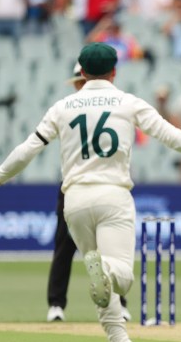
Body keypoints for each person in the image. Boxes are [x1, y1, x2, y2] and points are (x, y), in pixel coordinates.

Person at [0, 43, 181, 342]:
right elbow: (170, 136)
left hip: (74, 201)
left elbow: (28, 149)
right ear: (114, 71)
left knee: (102, 291)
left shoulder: (63, 106)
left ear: (82, 73)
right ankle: (104, 272)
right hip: (113, 196)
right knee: (122, 278)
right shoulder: (128, 102)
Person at [47, 64, 132, 323]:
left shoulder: (107, 106)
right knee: (64, 246)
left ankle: (119, 304)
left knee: (110, 250)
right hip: (77, 185)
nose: (79, 86)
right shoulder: (70, 108)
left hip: (102, 185)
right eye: (77, 82)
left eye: (82, 81)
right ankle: (56, 304)